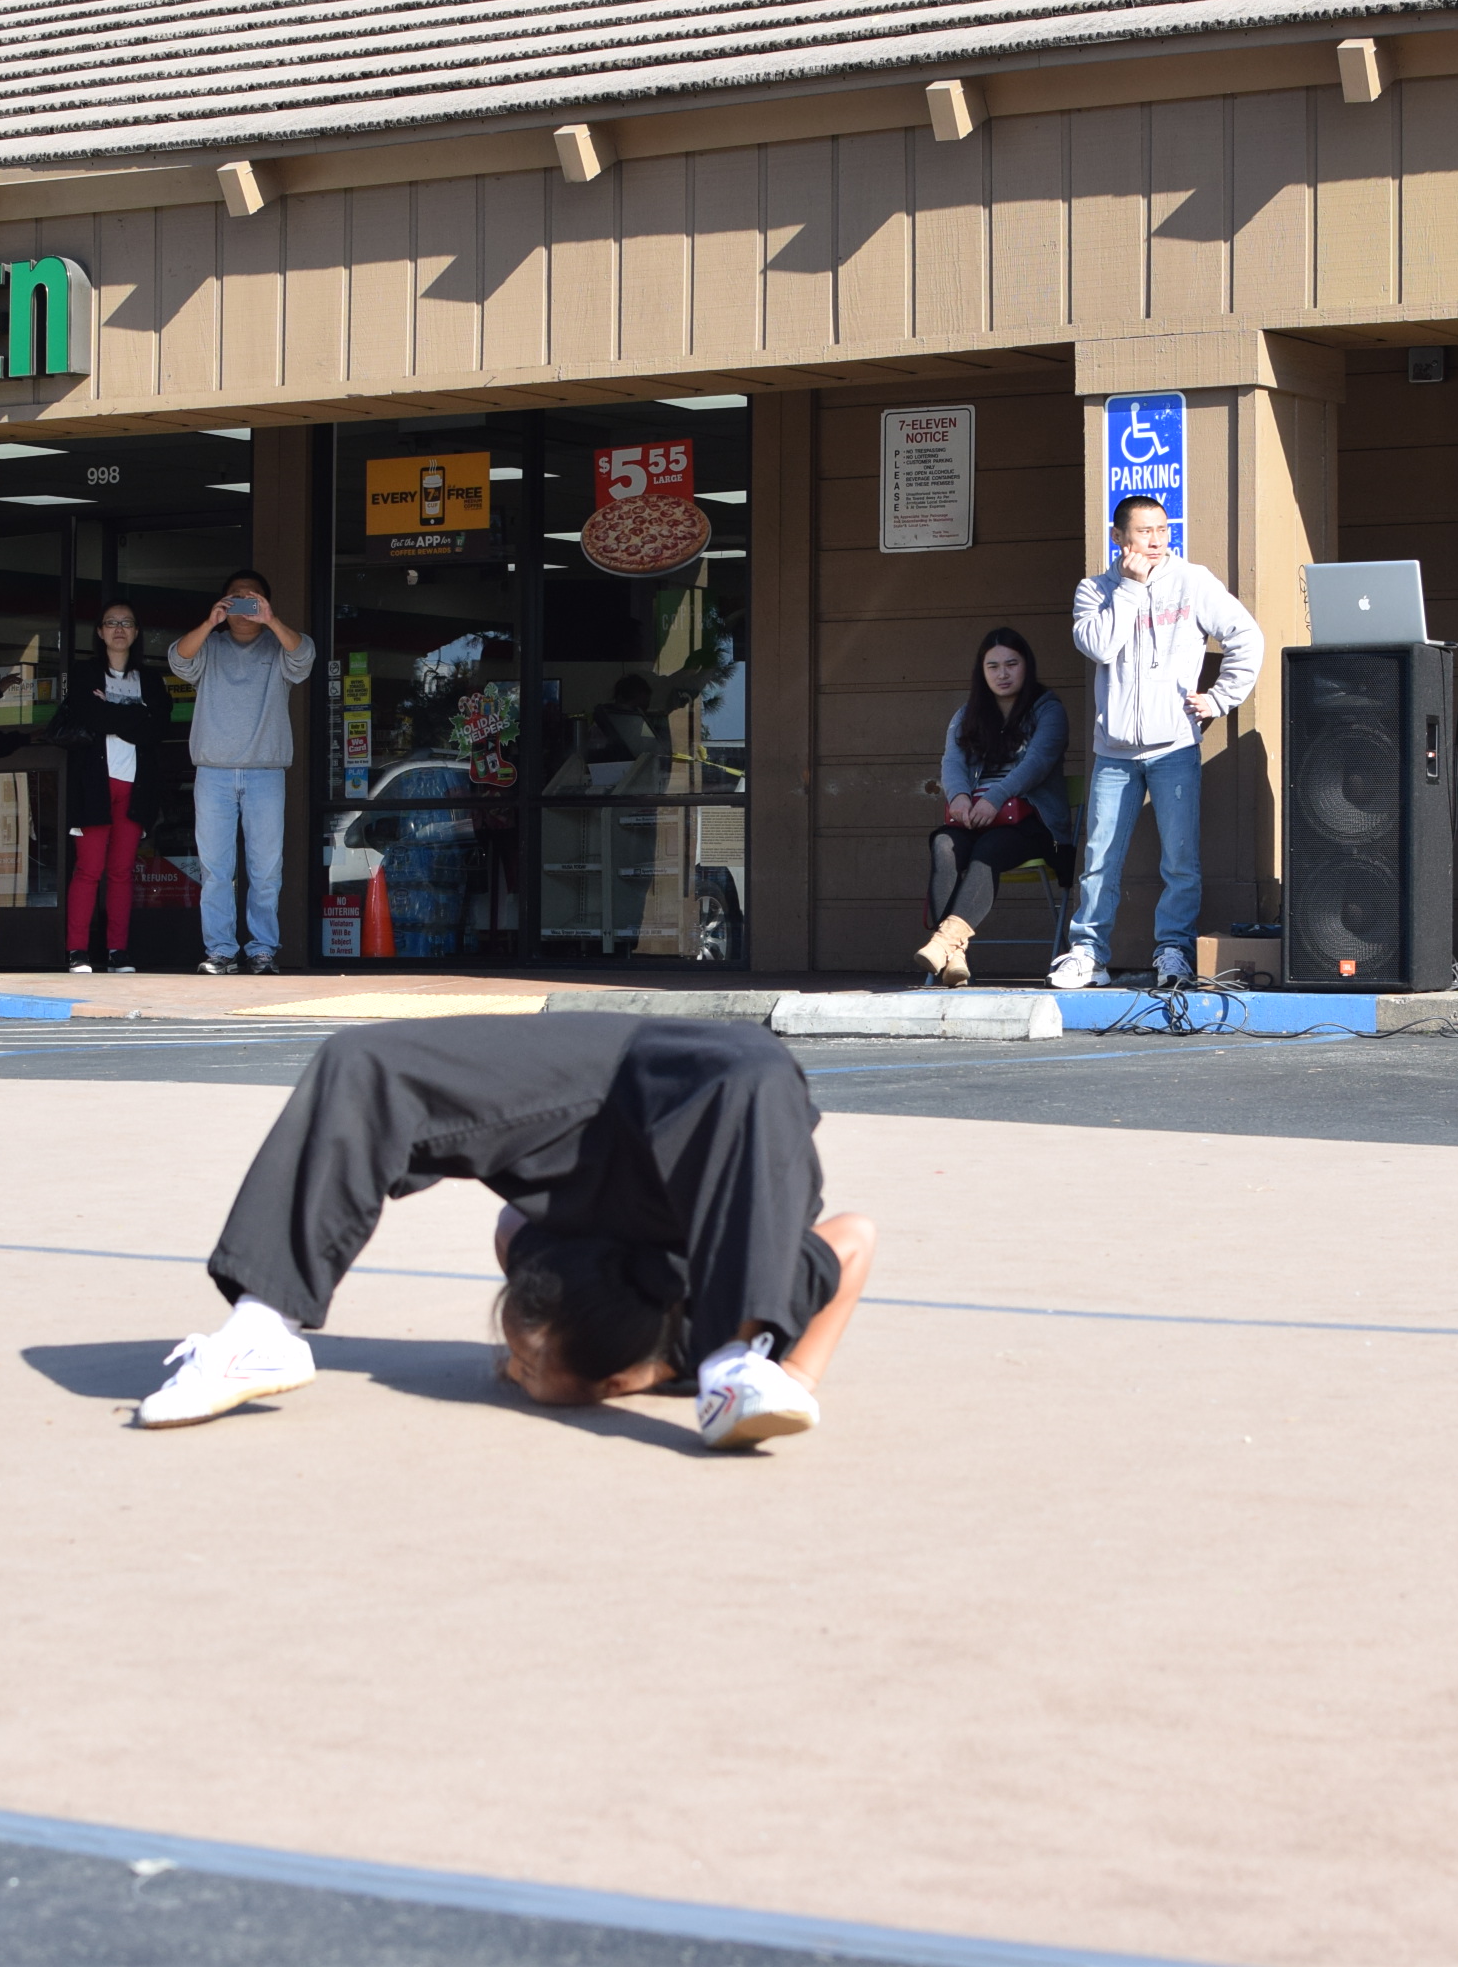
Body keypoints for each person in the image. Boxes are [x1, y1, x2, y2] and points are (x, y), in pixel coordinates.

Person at [135, 1013, 877, 1451]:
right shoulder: (735, 1295)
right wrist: (797, 1375)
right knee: (364, 1061)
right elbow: (855, 1236)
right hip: (678, 1114)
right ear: (613, 1384)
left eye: (518, 1362)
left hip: (637, 1161)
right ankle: (262, 1325)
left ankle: (739, 1368)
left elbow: (509, 1226)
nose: (509, 1369)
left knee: (747, 1075)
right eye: (525, 1362)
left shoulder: (554, 1270)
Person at [1051, 494, 1265, 991]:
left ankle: (1174, 951)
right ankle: (1088, 954)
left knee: (1180, 861)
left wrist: (1220, 698)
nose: (1155, 540)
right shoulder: (1094, 590)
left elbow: (1246, 637)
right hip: (1114, 752)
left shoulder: (1193, 581)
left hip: (1175, 748)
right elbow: (1099, 646)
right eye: (1144, 531)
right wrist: (1130, 587)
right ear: (1118, 537)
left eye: (1163, 530)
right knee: (1100, 860)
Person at [168, 569, 315, 974]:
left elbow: (304, 657)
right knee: (215, 870)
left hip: (265, 772)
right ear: (223, 603)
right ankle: (220, 951)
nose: (244, 606)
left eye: (253, 598)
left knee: (266, 870)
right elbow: (179, 659)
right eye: (235, 598)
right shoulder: (210, 646)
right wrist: (209, 622)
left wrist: (271, 620)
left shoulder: (279, 645)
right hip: (213, 772)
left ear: (266, 603)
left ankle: (262, 950)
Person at [917, 627, 1069, 988]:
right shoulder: (967, 714)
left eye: (1011, 664)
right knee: (944, 845)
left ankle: (942, 944)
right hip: (974, 818)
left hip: (1029, 822)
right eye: (993, 666)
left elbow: (1037, 764)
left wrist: (994, 798)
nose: (1003, 674)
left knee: (988, 851)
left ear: (1026, 666)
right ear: (981, 671)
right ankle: (954, 956)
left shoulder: (1048, 710)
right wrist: (959, 796)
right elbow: (952, 762)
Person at [45, 599, 174, 974]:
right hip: (94, 788)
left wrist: (114, 714)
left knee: (121, 872)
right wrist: (136, 714)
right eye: (111, 622)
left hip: (136, 787)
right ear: (100, 632)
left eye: (127, 623)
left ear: (136, 633)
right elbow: (91, 717)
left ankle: (118, 951)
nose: (119, 629)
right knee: (88, 869)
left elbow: (157, 729)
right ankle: (77, 951)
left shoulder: (150, 679)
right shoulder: (86, 673)